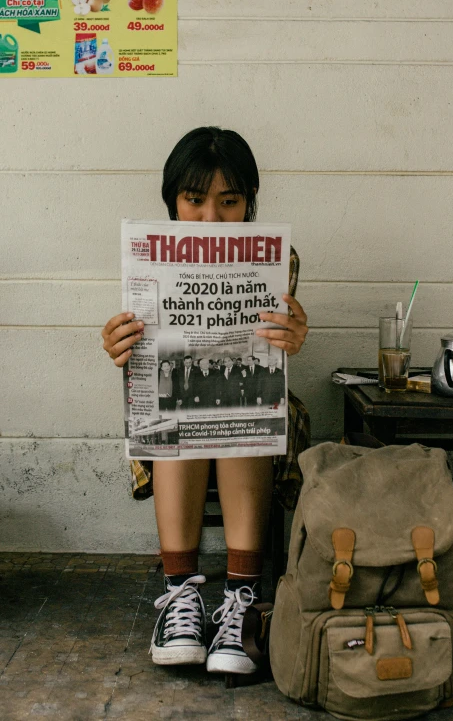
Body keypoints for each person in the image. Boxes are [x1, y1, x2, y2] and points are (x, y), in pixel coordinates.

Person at [101, 126, 310, 675]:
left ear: (250, 202)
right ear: (173, 199)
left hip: (259, 404)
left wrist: (295, 335)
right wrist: (118, 344)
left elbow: (277, 340)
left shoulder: (275, 256)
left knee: (232, 406)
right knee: (182, 401)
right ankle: (182, 596)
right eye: (194, 201)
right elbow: (138, 345)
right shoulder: (149, 256)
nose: (211, 220)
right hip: (178, 399)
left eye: (229, 202)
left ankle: (240, 601)